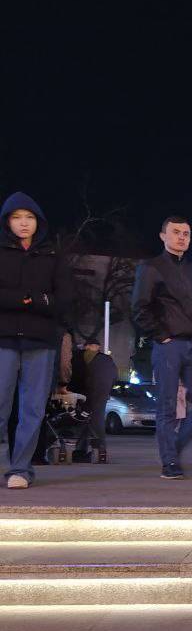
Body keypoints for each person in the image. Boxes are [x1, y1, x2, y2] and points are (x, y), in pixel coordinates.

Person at [0, 192, 75, 489]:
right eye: (17, 217)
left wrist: (38, 300)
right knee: (1, 404)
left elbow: (65, 298)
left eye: (29, 217)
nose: (23, 223)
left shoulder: (52, 256)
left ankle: (20, 469)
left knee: (32, 408)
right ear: (7, 222)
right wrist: (20, 299)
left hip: (41, 341)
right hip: (4, 339)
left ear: (38, 222)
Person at [131, 216, 192, 479]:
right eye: (176, 232)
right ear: (163, 236)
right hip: (168, 345)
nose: (181, 237)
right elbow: (139, 307)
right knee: (167, 405)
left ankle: (173, 448)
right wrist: (161, 335)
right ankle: (169, 462)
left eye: (186, 233)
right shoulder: (151, 268)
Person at [70, 340, 117, 463]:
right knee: (97, 420)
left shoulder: (80, 356)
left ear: (86, 347)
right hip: (101, 393)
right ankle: (100, 450)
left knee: (83, 419)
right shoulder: (107, 359)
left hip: (84, 393)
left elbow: (76, 375)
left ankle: (81, 451)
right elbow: (114, 376)